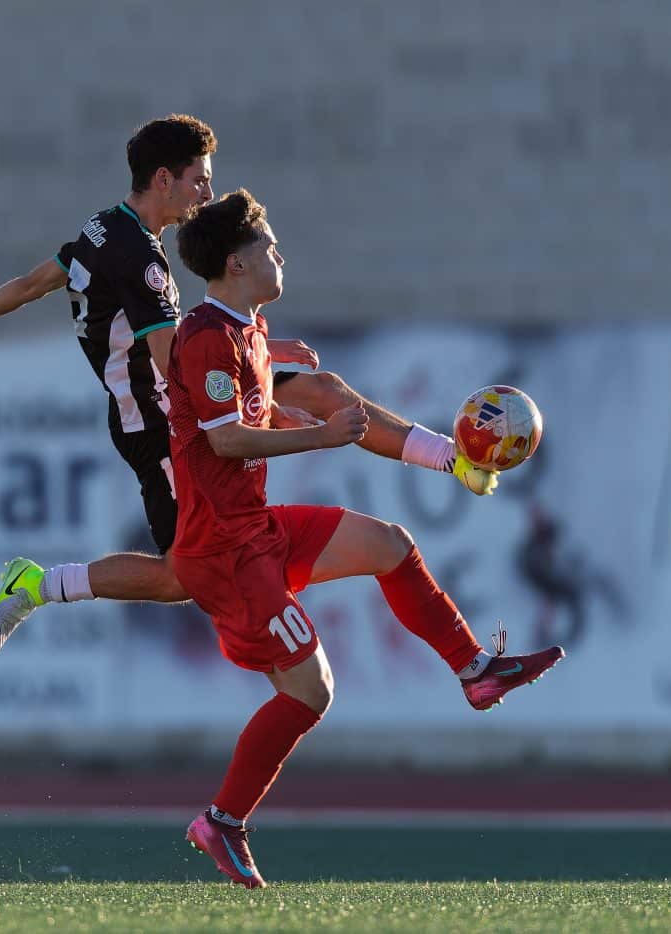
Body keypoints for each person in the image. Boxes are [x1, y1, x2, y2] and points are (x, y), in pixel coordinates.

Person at [0, 115, 498, 655]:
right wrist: (252, 372)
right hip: (158, 419)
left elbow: (31, 283)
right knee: (179, 576)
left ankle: (455, 460)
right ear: (165, 179)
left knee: (324, 389)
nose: (207, 192)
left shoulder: (105, 227)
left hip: (180, 388)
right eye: (199, 179)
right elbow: (172, 365)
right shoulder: (148, 266)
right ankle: (36, 584)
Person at [167, 190, 563, 887]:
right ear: (236, 261)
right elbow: (225, 439)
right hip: (224, 553)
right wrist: (318, 435)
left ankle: (476, 673)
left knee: (390, 544)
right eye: (268, 244)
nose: (278, 253)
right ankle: (221, 822)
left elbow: (322, 402)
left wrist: (454, 458)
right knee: (311, 693)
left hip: (254, 530)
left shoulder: (247, 330)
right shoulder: (206, 337)